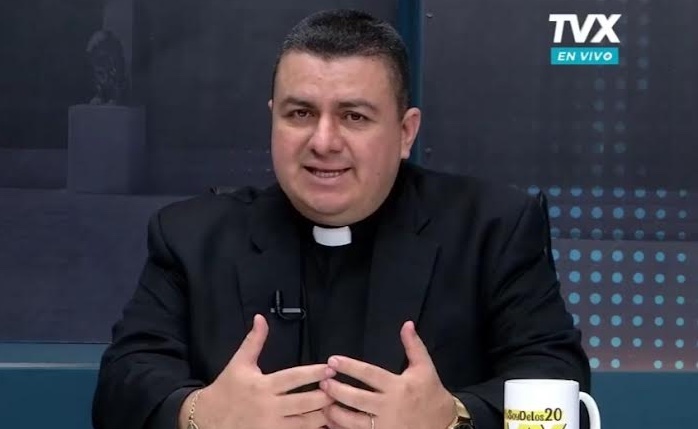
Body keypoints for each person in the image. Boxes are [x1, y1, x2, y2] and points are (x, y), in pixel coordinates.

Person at [92, 9, 590, 429]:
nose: (324, 141)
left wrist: (453, 418)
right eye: (300, 113)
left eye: (354, 116)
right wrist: (198, 413)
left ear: (405, 132)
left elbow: (557, 381)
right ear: (273, 117)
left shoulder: (493, 229)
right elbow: (121, 385)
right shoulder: (192, 238)